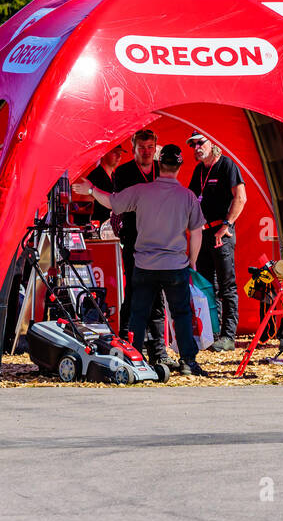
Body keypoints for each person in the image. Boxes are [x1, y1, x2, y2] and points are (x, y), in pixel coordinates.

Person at [78, 144, 206, 376]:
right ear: (179, 166)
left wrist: (90, 190)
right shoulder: (187, 197)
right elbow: (197, 232)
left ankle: (134, 359)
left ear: (159, 164)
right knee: (182, 315)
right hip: (175, 266)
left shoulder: (141, 191)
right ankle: (188, 361)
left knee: (139, 313)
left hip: (145, 265)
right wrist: (192, 261)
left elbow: (112, 202)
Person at [186, 131, 247, 352]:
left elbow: (241, 197)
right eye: (193, 145)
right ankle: (211, 333)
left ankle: (228, 335)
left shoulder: (226, 165)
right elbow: (192, 200)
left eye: (200, 143)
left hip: (221, 234)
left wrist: (227, 225)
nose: (196, 147)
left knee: (226, 285)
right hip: (203, 234)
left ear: (212, 142)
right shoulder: (199, 170)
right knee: (205, 285)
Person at [113, 130, 166, 352]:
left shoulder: (163, 171)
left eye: (150, 147)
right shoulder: (123, 172)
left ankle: (158, 347)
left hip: (160, 242)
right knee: (136, 289)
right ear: (134, 147)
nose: (146, 152)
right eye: (142, 148)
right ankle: (128, 339)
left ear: (156, 147)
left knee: (157, 293)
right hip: (135, 241)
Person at [74, 144, 124, 227]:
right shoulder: (95, 177)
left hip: (111, 230)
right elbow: (83, 207)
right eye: (115, 152)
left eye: (120, 153)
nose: (118, 156)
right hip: (97, 231)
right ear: (103, 154)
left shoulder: (115, 177)